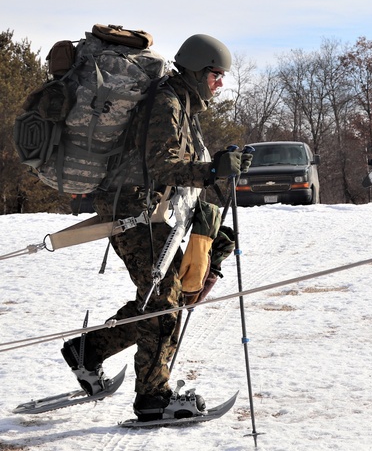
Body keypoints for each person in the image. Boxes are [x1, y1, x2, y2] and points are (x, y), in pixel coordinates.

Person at [60, 34, 249, 421]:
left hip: (150, 213)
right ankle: (153, 398)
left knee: (165, 296)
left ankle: (89, 351)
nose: (220, 83)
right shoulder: (166, 103)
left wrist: (217, 169)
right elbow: (161, 167)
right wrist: (213, 170)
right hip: (134, 211)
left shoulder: (182, 104)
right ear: (197, 71)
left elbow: (176, 166)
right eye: (216, 75)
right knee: (163, 301)